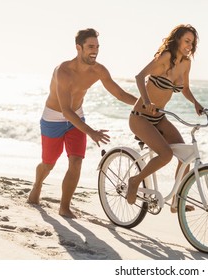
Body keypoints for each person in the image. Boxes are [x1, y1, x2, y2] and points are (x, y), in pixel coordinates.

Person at [27, 28, 137, 218]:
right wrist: (91, 132)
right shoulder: (63, 71)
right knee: (48, 163)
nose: (94, 50)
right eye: (90, 46)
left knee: (76, 161)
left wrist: (142, 104)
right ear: (78, 48)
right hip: (54, 117)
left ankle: (64, 207)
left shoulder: (98, 70)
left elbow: (119, 94)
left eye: (97, 46)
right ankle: (37, 186)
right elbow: (65, 110)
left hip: (77, 117)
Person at [127, 24, 204, 212]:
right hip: (140, 117)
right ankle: (135, 181)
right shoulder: (165, 57)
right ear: (177, 39)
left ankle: (177, 201)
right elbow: (139, 77)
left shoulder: (186, 63)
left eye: (192, 43)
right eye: (187, 41)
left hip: (159, 117)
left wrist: (196, 103)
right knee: (166, 155)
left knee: (185, 155)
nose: (189, 46)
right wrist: (146, 101)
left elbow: (184, 88)